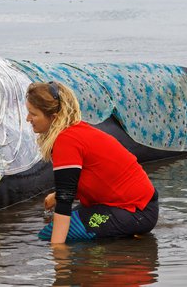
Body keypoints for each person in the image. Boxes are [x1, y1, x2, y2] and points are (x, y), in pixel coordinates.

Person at [25, 81, 159, 243]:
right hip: (131, 206)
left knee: (49, 237)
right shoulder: (74, 131)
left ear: (53, 117)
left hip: (137, 211)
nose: (28, 118)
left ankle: (121, 243)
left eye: (33, 114)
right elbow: (83, 179)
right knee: (59, 226)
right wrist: (56, 197)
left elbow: (65, 199)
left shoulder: (66, 140)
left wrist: (58, 254)